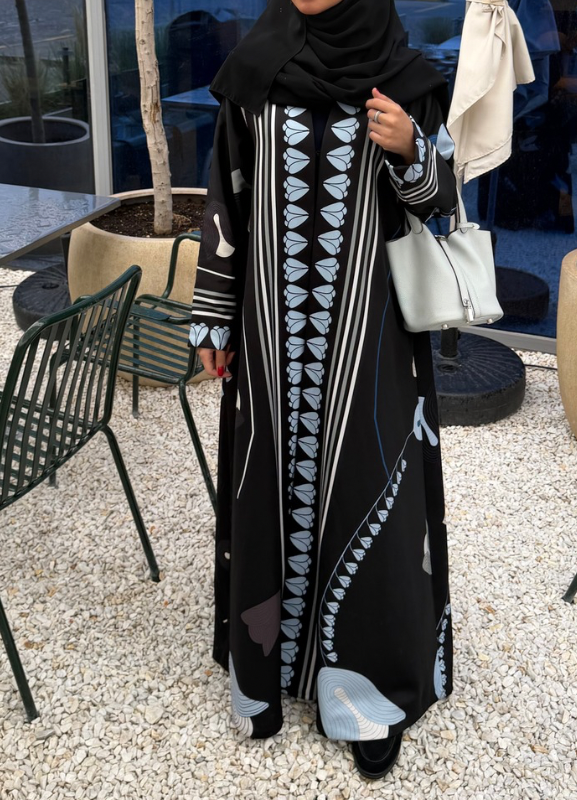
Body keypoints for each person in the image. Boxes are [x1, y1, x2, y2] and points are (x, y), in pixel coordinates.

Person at [189, 0, 456, 780]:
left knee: (373, 501)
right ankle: (265, 673)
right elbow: (224, 199)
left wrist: (412, 151)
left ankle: (368, 694)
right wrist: (214, 315)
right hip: (271, 346)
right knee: (267, 489)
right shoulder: (255, 70)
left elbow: (444, 206)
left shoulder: (406, 79)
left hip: (371, 348)